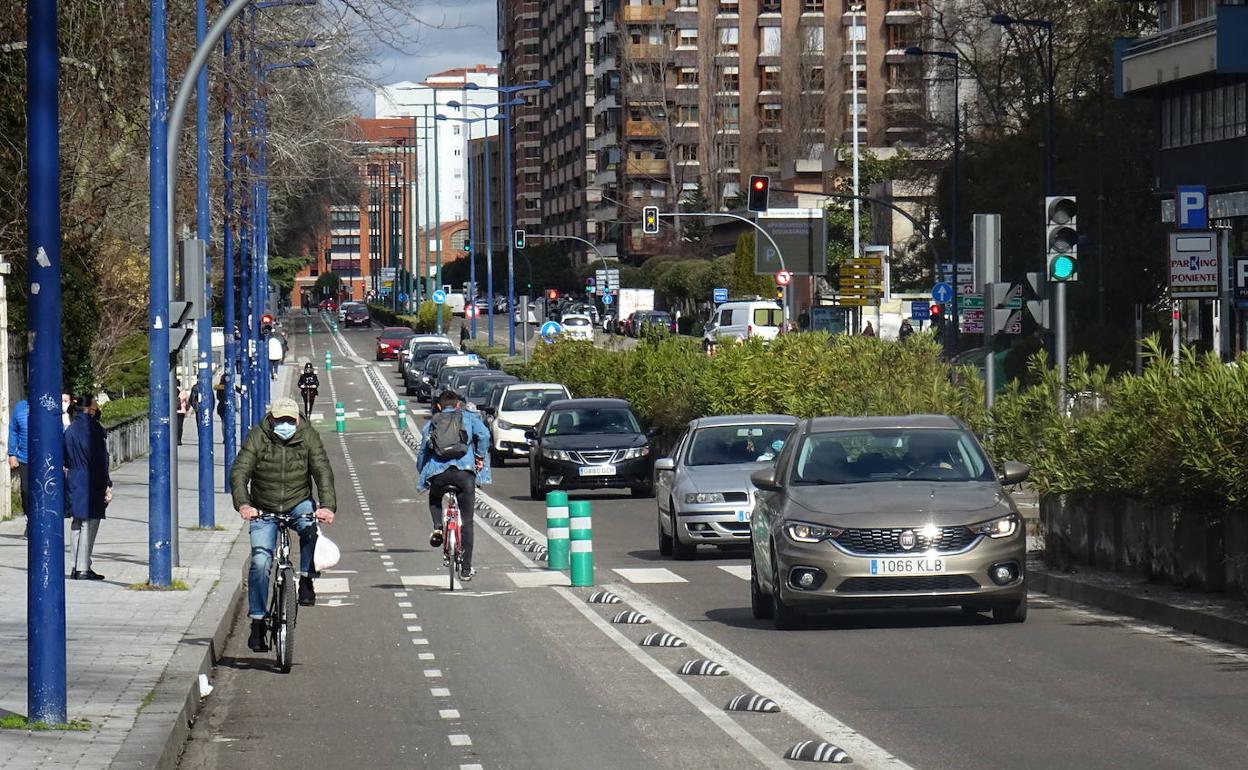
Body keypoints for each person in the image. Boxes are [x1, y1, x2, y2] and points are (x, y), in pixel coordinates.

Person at [230, 397, 337, 652]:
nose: (286, 425)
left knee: (310, 528)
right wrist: (244, 505)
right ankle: (257, 622)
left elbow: (322, 471)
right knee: (260, 561)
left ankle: (307, 578)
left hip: (298, 500)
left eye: (291, 420)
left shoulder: (308, 437)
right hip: (263, 506)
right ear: (272, 419)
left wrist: (327, 506)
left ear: (298, 419)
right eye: (281, 420)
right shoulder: (258, 436)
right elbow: (239, 472)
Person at [417, 389, 491, 582]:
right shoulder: (469, 417)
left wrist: (423, 473)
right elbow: (484, 436)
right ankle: (466, 569)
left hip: (439, 474)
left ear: (439, 406)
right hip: (464, 474)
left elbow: (423, 451)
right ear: (458, 405)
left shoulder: (433, 422)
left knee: (434, 499)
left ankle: (438, 527)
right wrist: (480, 457)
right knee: (467, 522)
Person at [64, 395, 111, 580]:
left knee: (77, 522)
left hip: (74, 478)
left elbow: (64, 456)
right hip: (91, 479)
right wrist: (106, 484)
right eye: (95, 406)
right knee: (90, 522)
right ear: (89, 409)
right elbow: (101, 459)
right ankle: (84, 566)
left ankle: (75, 565)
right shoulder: (94, 429)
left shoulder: (70, 430)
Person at [8, 398, 29, 538]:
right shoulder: (20, 407)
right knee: (26, 490)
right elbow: (13, 430)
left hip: (44, 457)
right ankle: (29, 521)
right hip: (24, 457)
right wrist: (12, 454)